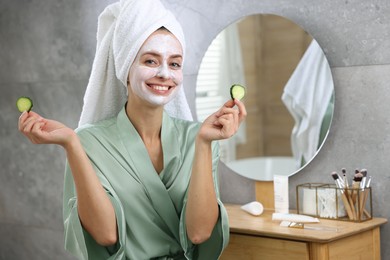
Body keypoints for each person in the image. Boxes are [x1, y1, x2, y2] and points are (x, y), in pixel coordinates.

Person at [18, 0, 246, 259]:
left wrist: (204, 143)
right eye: (150, 61)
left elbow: (199, 234)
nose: (164, 73)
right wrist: (71, 142)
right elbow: (106, 235)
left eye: (174, 64)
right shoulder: (89, 141)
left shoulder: (198, 137)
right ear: (125, 68)